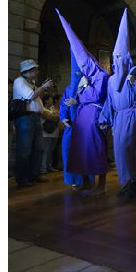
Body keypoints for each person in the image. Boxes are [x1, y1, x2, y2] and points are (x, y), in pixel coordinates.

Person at [57, 10, 110, 195]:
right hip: (82, 117)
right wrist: (82, 91)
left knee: (96, 149)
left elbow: (96, 96)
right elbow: (76, 97)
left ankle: (101, 185)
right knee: (83, 150)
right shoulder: (85, 79)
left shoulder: (101, 75)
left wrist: (84, 90)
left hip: (95, 115)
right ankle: (87, 182)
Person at [107, 9, 136, 197]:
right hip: (118, 117)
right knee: (119, 151)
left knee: (129, 148)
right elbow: (109, 102)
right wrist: (109, 120)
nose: (118, 61)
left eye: (121, 57)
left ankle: (134, 180)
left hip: (133, 115)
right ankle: (126, 182)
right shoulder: (111, 80)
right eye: (115, 58)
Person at [12, 58, 55, 187]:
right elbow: (30, 96)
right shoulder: (19, 81)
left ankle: (34, 174)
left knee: (38, 148)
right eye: (34, 69)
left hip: (35, 117)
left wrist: (44, 88)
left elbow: (37, 100)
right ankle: (23, 178)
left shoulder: (32, 83)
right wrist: (44, 87)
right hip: (25, 118)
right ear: (27, 71)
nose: (36, 71)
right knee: (24, 150)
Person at [57, 53, 85, 189]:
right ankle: (73, 179)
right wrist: (63, 117)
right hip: (70, 127)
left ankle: (85, 180)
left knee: (84, 153)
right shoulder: (69, 89)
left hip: (84, 127)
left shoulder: (87, 87)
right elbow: (63, 104)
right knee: (68, 152)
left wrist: (78, 101)